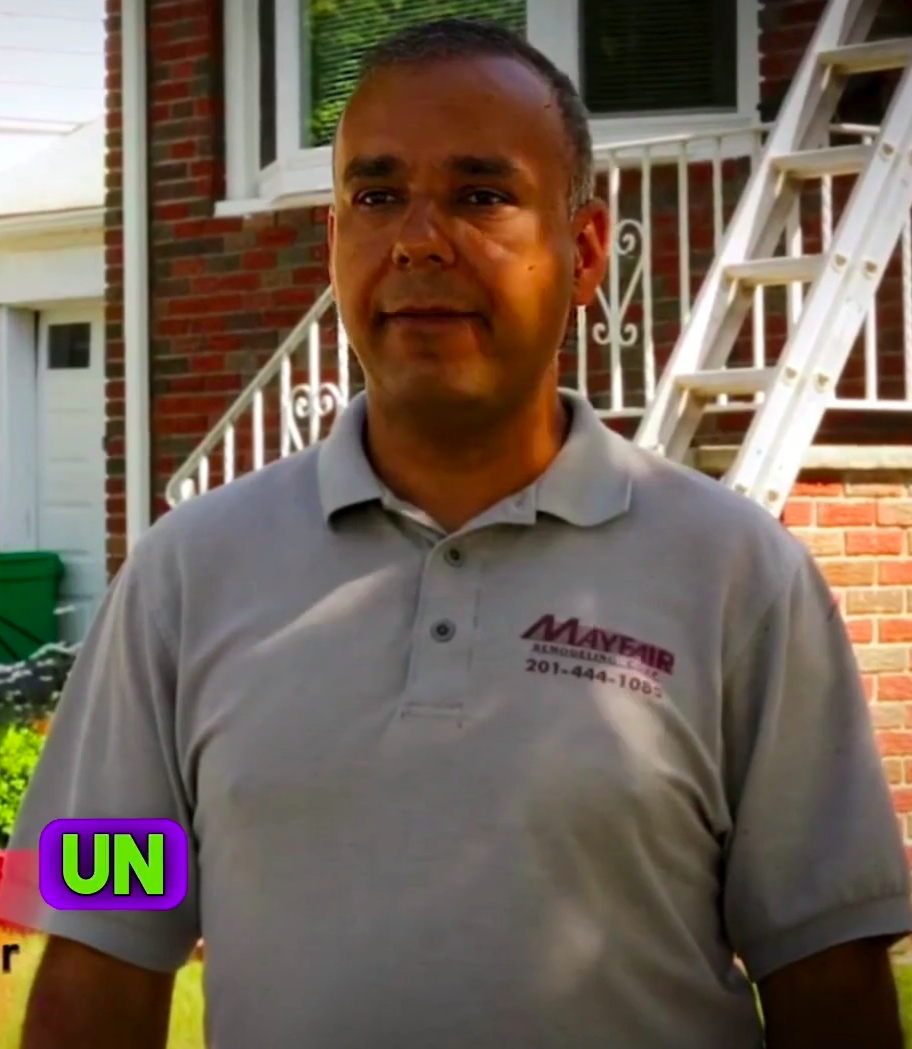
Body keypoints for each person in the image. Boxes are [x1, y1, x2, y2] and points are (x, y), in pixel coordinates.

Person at [3, 17, 911, 1049]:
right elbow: (97, 955)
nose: (420, 238)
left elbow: (828, 980)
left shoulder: (741, 578)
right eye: (377, 196)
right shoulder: (181, 580)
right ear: (335, 239)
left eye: (482, 195)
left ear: (581, 253)